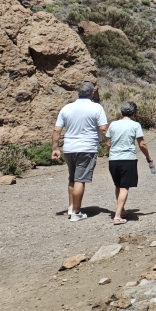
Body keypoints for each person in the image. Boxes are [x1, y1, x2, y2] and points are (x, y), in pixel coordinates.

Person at [51, 81, 108, 222]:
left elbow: (57, 130)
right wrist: (109, 144)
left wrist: (55, 148)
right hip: (87, 148)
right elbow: (103, 128)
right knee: (80, 179)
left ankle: (71, 207)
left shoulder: (66, 108)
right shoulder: (96, 108)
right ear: (92, 94)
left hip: (69, 148)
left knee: (72, 178)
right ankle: (76, 213)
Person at [105, 101, 154, 225]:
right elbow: (142, 144)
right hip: (128, 159)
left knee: (118, 185)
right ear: (134, 113)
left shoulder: (113, 124)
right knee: (124, 187)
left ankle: (121, 210)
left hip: (113, 159)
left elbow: (108, 143)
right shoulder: (135, 125)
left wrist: (110, 153)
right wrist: (148, 157)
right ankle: (117, 216)